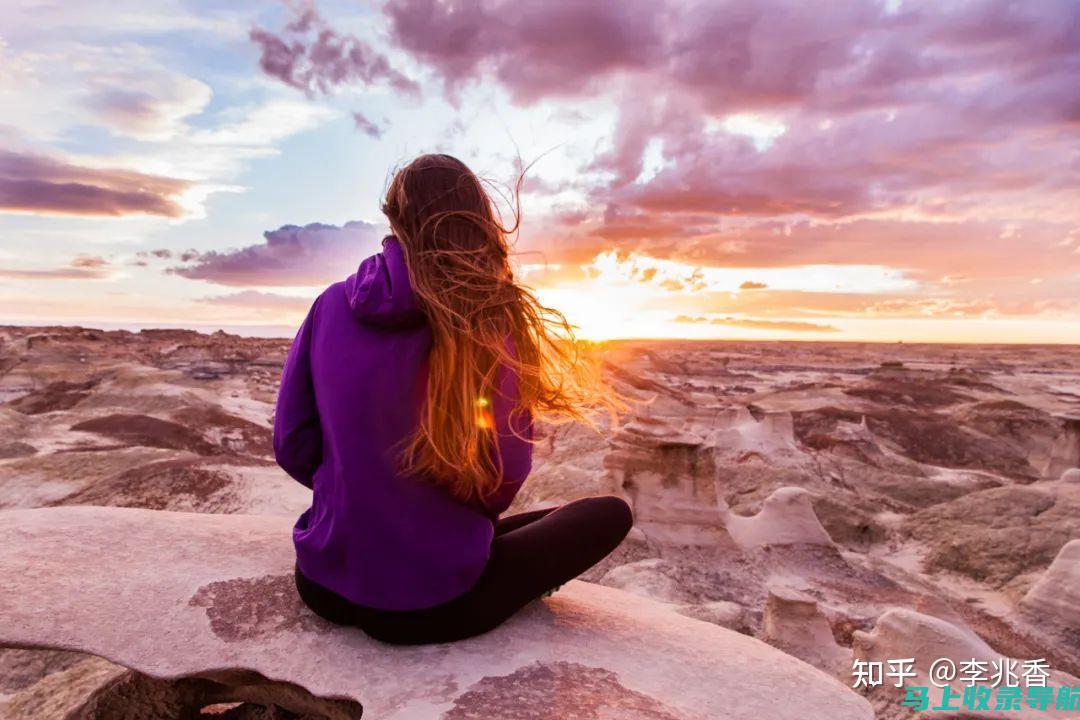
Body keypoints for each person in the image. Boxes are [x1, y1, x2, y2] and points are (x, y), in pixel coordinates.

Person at [273, 153, 632, 645]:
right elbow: (502, 477)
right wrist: (427, 519)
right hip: (430, 607)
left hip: (321, 583)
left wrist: (359, 492)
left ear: (394, 217)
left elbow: (292, 442)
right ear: (480, 220)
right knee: (607, 514)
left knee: (530, 525)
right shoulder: (487, 317)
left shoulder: (331, 302)